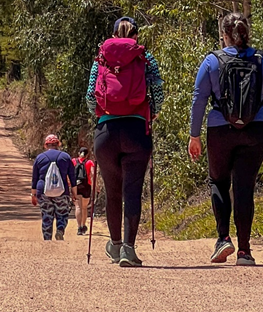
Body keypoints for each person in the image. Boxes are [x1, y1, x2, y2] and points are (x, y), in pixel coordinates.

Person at [188, 12, 263, 266]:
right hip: (258, 129)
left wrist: (195, 135)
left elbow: (199, 98)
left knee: (219, 181)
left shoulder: (212, 62)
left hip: (220, 129)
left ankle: (223, 238)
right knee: (244, 186)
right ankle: (244, 251)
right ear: (246, 33)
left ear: (224, 36)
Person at [86, 16, 164, 267]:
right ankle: (128, 250)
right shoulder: (146, 58)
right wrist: (150, 111)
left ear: (113, 35)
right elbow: (159, 95)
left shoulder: (101, 59)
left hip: (106, 132)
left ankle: (115, 244)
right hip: (136, 130)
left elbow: (90, 97)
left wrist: (103, 114)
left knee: (112, 192)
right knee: (132, 191)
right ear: (136, 36)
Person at [30, 134, 76, 240]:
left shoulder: (40, 158)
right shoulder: (65, 157)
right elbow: (72, 177)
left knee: (46, 214)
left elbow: (35, 178)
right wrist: (74, 193)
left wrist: (33, 194)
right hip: (62, 191)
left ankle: (47, 239)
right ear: (58, 144)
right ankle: (60, 229)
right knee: (62, 213)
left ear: (46, 145)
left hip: (43, 191)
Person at [72, 147, 95, 235]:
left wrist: (69, 184)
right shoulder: (90, 162)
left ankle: (79, 228)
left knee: (78, 207)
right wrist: (95, 186)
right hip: (86, 186)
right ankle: (83, 225)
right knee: (84, 207)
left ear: (79, 153)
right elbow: (92, 174)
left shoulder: (73, 161)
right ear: (87, 154)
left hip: (76, 186)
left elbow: (69, 173)